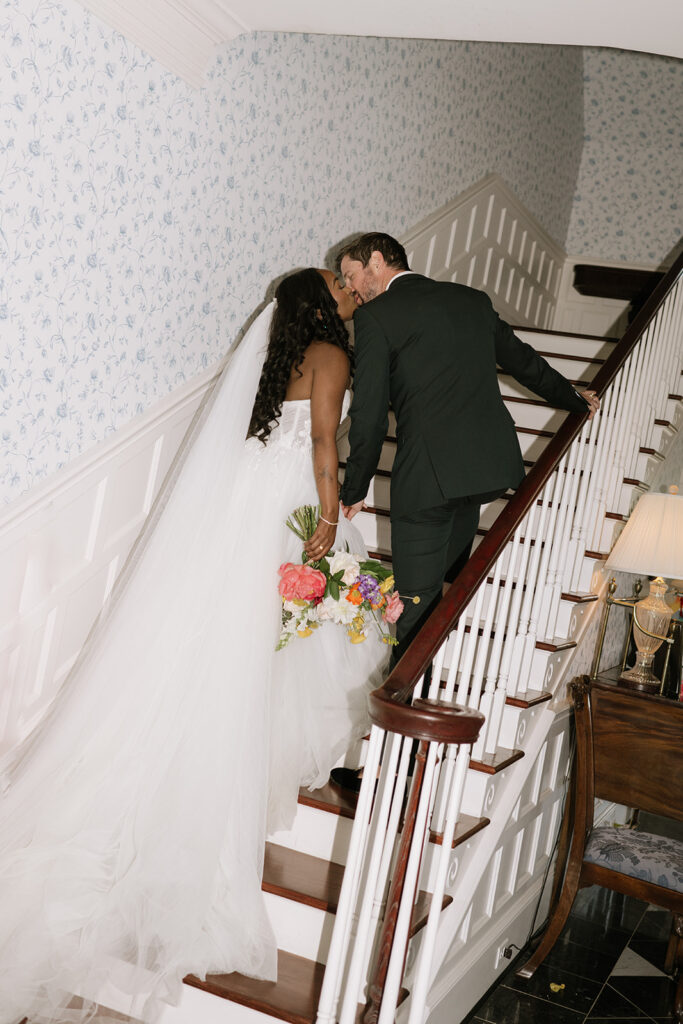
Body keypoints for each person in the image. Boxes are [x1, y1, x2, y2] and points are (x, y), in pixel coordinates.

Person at [0, 269, 387, 1024]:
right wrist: (330, 521)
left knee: (227, 658)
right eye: (337, 291)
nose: (346, 297)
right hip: (288, 510)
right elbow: (320, 445)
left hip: (243, 511)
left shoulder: (277, 363)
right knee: (282, 653)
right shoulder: (331, 356)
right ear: (319, 308)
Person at [338, 232, 600, 664]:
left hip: (427, 482)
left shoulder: (378, 317)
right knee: (446, 588)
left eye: (351, 276)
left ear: (378, 261)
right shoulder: (471, 300)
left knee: (414, 604)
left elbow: (367, 415)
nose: (350, 289)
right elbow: (523, 361)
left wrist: (355, 489)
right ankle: (433, 678)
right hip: (483, 473)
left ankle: (404, 716)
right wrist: (573, 399)